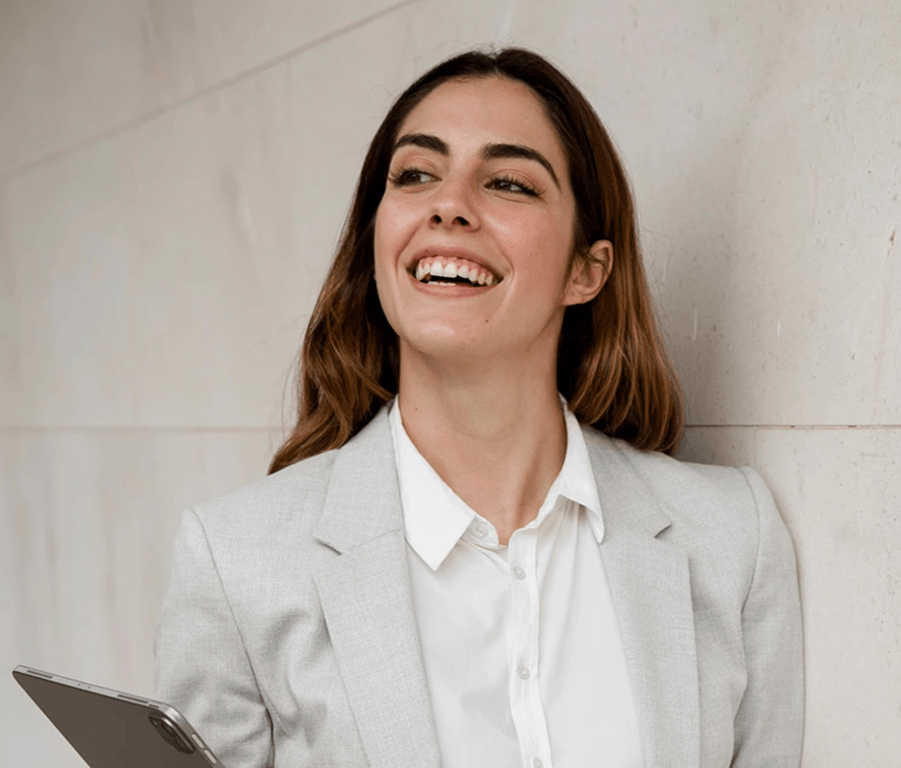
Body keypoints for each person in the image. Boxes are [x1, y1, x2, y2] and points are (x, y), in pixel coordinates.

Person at [154, 48, 803, 768]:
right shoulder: (236, 560)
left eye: (506, 182)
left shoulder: (731, 537)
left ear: (585, 272)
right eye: (415, 174)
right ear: (376, 243)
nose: (449, 204)